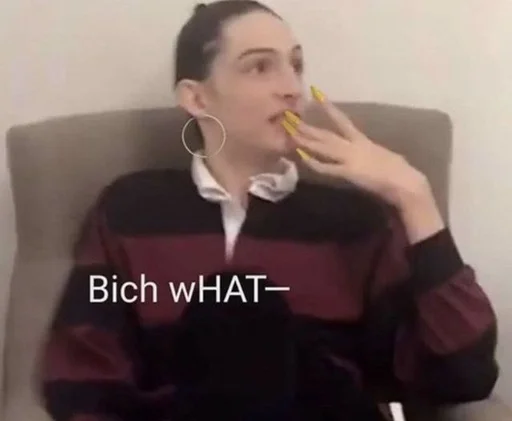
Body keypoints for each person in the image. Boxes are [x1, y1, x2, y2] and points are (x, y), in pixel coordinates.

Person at [39, 1, 499, 421]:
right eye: (260, 67)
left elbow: (464, 375)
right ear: (197, 98)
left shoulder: (356, 222)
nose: (291, 89)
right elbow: (84, 381)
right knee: (235, 307)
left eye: (296, 66)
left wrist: (415, 197)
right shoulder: (130, 212)